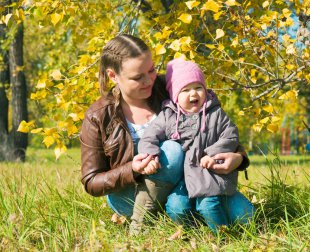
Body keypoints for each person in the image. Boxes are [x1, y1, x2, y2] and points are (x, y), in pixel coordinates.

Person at [80, 34, 253, 235]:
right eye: (137, 77)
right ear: (113, 76)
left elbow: (213, 122)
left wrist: (239, 158)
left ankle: (183, 216)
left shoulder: (173, 86)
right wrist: (132, 169)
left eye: (151, 70)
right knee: (172, 150)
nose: (148, 81)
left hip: (186, 185)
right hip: (130, 195)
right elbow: (91, 182)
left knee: (245, 216)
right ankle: (142, 224)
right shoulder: (98, 115)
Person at [137, 58, 251, 232]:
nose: (193, 94)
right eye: (185, 90)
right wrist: (150, 154)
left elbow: (231, 134)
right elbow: (149, 136)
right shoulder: (168, 116)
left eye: (198, 88)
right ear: (175, 94)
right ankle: (194, 230)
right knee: (177, 207)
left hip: (210, 174)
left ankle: (222, 234)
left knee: (224, 209)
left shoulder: (215, 113)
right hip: (184, 177)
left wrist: (213, 153)